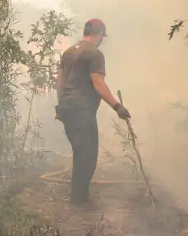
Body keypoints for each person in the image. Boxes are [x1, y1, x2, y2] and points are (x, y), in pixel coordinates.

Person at [55, 18, 131, 206]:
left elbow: (60, 82)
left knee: (80, 151)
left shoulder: (68, 52)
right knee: (87, 155)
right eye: (103, 36)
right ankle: (80, 200)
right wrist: (117, 106)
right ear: (99, 35)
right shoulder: (95, 54)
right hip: (82, 110)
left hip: (67, 108)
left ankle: (78, 197)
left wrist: (62, 104)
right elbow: (98, 82)